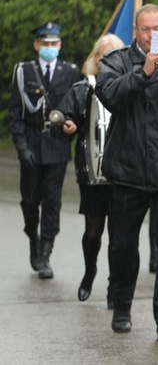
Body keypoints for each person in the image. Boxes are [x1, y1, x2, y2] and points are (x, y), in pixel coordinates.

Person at [95, 3, 158, 340]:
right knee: (124, 246)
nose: (152, 36)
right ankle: (122, 305)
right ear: (136, 32)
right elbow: (108, 95)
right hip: (128, 170)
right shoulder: (117, 60)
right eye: (146, 29)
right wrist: (144, 72)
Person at [9, 22, 80, 279]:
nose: (50, 48)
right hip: (30, 145)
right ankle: (33, 238)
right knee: (29, 201)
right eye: (45, 44)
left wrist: (74, 125)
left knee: (52, 203)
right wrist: (21, 147)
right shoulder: (23, 71)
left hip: (57, 146)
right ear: (36, 45)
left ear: (60, 45)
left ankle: (45, 254)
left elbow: (75, 107)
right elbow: (15, 114)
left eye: (54, 44)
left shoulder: (70, 72)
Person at [56, 34, 124, 303]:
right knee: (93, 232)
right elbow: (65, 116)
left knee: (120, 237)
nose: (107, 62)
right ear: (95, 59)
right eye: (103, 56)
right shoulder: (82, 89)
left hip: (123, 173)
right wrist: (67, 125)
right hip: (92, 172)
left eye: (113, 56)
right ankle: (89, 271)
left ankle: (114, 287)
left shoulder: (128, 88)